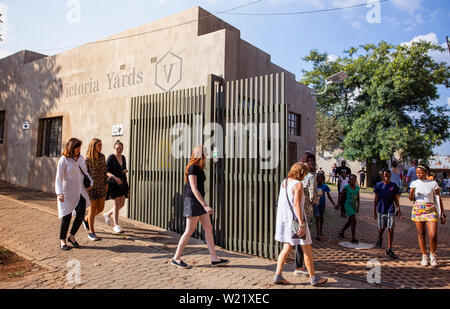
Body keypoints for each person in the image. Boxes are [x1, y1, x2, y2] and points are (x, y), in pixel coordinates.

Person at [172, 145, 229, 269]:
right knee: (189, 231)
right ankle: (176, 258)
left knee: (208, 229)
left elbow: (214, 162)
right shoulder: (192, 168)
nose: (207, 155)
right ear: (200, 154)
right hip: (193, 202)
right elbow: (193, 188)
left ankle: (214, 258)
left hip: (199, 202)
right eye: (206, 153)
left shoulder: (200, 167)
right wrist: (205, 205)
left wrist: (216, 152)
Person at [274, 162, 327, 286]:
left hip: (286, 222)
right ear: (301, 173)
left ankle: (278, 275)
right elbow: (297, 204)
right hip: (296, 222)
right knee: (307, 249)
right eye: (305, 172)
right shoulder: (298, 184)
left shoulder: (284, 182)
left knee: (286, 248)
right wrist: (302, 223)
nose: (306, 175)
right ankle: (313, 278)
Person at [55, 138, 93, 250]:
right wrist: (59, 193)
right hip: (67, 192)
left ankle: (72, 236)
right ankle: (62, 240)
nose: (78, 150)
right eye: (77, 148)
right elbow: (59, 178)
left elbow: (85, 172)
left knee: (81, 213)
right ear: (71, 148)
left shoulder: (80, 158)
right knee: (66, 216)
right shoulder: (64, 160)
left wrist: (90, 182)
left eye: (79, 148)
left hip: (79, 191)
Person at [409, 163, 446, 267]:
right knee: (421, 234)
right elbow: (411, 198)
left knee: (433, 234)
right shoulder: (414, 183)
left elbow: (438, 199)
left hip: (431, 209)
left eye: (420, 172)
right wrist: (411, 193)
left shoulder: (433, 183)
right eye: (417, 173)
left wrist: (442, 213)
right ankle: (424, 256)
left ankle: (433, 255)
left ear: (426, 172)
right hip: (418, 209)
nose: (418, 175)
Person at [293, 152, 317, 277]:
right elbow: (313, 197)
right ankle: (299, 267)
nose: (311, 163)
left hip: (297, 211)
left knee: (299, 240)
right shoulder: (312, 176)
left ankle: (299, 265)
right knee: (304, 241)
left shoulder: (299, 177)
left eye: (312, 161)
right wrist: (316, 198)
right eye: (309, 161)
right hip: (307, 212)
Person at [83, 138, 108, 241]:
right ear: (93, 146)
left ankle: (86, 219)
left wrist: (106, 183)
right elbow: (85, 174)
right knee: (92, 209)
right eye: (99, 145)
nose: (101, 147)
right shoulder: (87, 159)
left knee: (101, 208)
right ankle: (91, 232)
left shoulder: (102, 157)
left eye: (101, 145)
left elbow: (105, 170)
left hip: (101, 186)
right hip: (91, 188)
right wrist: (86, 187)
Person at [373, 169, 401, 259]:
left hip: (391, 210)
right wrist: (374, 211)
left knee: (390, 229)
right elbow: (376, 199)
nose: (387, 177)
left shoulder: (394, 186)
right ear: (382, 176)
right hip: (381, 210)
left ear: (390, 176)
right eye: (385, 175)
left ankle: (389, 249)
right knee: (381, 228)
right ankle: (379, 237)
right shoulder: (378, 185)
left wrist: (398, 209)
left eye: (388, 176)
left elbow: (396, 199)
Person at [104, 140, 129, 234]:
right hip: (114, 183)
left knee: (122, 203)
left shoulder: (123, 157)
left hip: (123, 183)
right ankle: (116, 225)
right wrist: (115, 177)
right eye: (118, 148)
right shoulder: (111, 157)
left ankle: (108, 214)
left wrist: (125, 170)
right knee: (116, 203)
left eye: (121, 148)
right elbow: (107, 172)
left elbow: (123, 168)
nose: (119, 149)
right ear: (114, 148)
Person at [338, 174, 360, 244]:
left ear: (355, 180)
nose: (352, 180)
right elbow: (341, 194)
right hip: (348, 205)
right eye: (350, 179)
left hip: (354, 206)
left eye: (353, 179)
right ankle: (353, 238)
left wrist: (358, 206)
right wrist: (338, 203)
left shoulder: (357, 188)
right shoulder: (346, 187)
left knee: (350, 221)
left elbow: (358, 198)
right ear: (349, 180)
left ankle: (341, 232)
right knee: (354, 221)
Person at [314, 173, 336, 241]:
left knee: (321, 217)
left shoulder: (325, 186)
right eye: (318, 177)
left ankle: (321, 230)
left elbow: (329, 196)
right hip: (316, 204)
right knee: (317, 217)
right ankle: (317, 234)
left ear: (323, 178)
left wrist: (333, 204)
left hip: (322, 204)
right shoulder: (314, 186)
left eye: (320, 177)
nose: (319, 179)